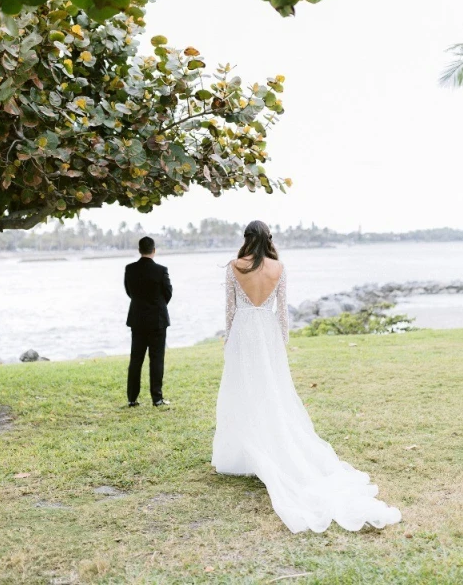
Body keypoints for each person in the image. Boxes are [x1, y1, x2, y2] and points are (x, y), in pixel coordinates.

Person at [212, 220, 402, 533]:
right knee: (272, 392)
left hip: (244, 333)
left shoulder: (234, 267)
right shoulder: (279, 268)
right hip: (268, 333)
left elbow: (230, 312)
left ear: (246, 239)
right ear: (268, 239)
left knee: (242, 392)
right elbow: (283, 314)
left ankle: (245, 454)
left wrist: (229, 340)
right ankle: (260, 447)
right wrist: (279, 343)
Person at [124, 236, 172, 407]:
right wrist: (157, 305)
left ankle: (132, 398)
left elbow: (129, 292)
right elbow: (168, 293)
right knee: (156, 359)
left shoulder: (129, 269)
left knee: (136, 359)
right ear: (154, 250)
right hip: (157, 320)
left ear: (139, 250)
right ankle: (157, 398)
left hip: (137, 319)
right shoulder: (161, 270)